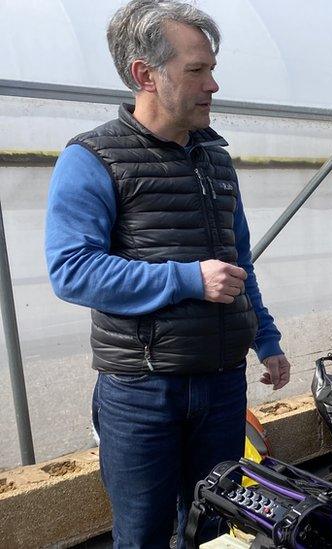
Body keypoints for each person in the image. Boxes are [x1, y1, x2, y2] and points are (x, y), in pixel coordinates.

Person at [44, 1, 290, 546]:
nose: (213, 85)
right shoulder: (93, 158)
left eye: (212, 68)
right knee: (144, 535)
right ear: (145, 75)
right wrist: (186, 279)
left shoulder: (215, 160)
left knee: (217, 527)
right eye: (197, 70)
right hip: (141, 392)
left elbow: (238, 262)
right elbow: (71, 270)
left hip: (223, 384)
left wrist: (266, 339)